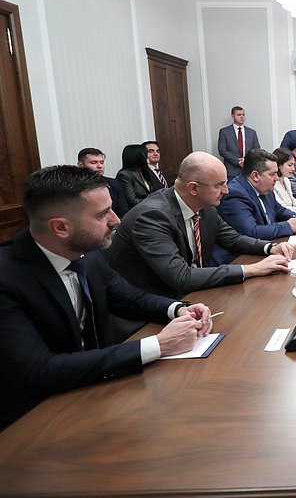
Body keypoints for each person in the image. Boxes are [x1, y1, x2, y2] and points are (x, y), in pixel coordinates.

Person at [0, 165, 212, 430]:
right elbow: (38, 371)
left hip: (94, 392)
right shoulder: (7, 279)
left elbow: (129, 298)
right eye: (102, 214)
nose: (116, 220)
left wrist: (179, 309)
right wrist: (158, 345)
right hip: (35, 421)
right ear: (61, 228)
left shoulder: (87, 253)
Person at [105, 152, 295, 299]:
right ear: (193, 188)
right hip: (151, 306)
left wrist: (271, 247)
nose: (226, 191)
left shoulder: (205, 207)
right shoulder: (152, 216)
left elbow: (233, 238)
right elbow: (182, 276)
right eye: (219, 185)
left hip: (191, 295)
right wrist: (253, 269)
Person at [215, 149, 296, 265]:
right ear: (255, 176)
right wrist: (288, 226)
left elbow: (279, 210)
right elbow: (251, 232)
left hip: (266, 249)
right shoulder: (235, 194)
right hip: (239, 260)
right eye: (272, 174)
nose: (277, 178)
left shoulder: (265, 187)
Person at [76, 147, 128, 218]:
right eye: (94, 162)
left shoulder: (113, 184)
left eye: (102, 162)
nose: (100, 166)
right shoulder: (74, 186)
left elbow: (123, 212)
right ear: (80, 165)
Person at [218, 106, 261, 179]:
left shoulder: (251, 132)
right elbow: (222, 150)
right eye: (239, 115)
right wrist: (237, 161)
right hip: (232, 170)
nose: (242, 117)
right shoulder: (224, 132)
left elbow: (257, 150)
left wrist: (246, 160)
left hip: (248, 169)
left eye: (243, 115)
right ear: (232, 116)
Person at [116, 144, 159, 210]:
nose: (147, 157)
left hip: (151, 209)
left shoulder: (144, 172)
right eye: (145, 155)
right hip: (137, 212)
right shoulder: (125, 175)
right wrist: (154, 200)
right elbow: (132, 201)